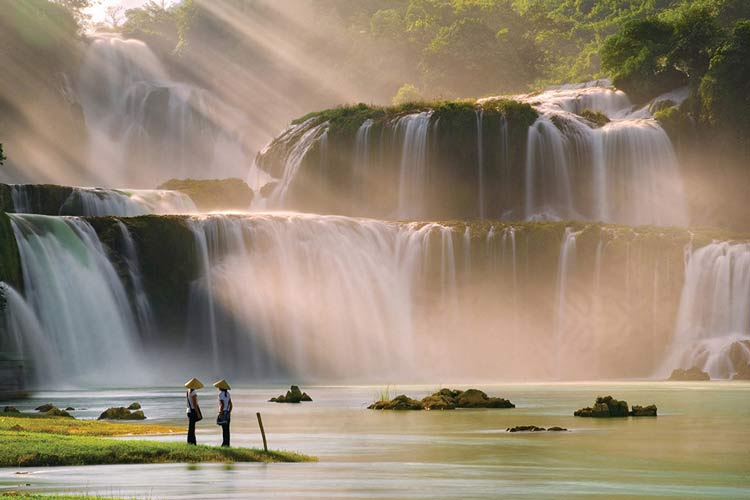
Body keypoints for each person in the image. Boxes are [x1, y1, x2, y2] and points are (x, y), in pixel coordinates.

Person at [213, 379, 232, 447]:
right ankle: (227, 443)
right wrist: (229, 411)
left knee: (224, 429)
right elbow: (230, 404)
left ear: (221, 387)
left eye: (219, 386)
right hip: (227, 412)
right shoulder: (228, 394)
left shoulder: (220, 394)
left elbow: (222, 404)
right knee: (227, 429)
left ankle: (224, 443)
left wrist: (220, 413)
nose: (218, 388)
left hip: (223, 412)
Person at [184, 378, 203, 445]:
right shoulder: (194, 392)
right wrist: (198, 413)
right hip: (193, 411)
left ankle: (190, 441)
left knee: (191, 427)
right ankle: (192, 442)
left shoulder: (188, 391)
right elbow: (195, 404)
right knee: (192, 428)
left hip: (188, 411)